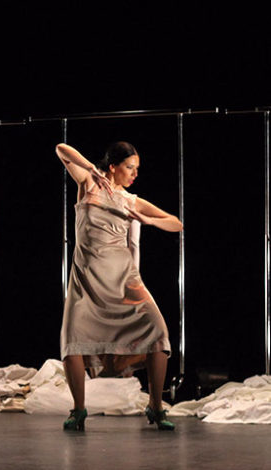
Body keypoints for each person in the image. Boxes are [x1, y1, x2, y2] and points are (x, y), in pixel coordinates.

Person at [56, 142, 182, 431]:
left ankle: (156, 406)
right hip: (87, 280)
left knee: (158, 334)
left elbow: (176, 223)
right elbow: (61, 148)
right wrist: (91, 168)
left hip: (124, 281)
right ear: (112, 166)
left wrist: (148, 219)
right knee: (72, 340)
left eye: (137, 169)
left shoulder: (130, 200)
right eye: (129, 167)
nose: (135, 174)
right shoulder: (88, 183)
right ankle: (78, 409)